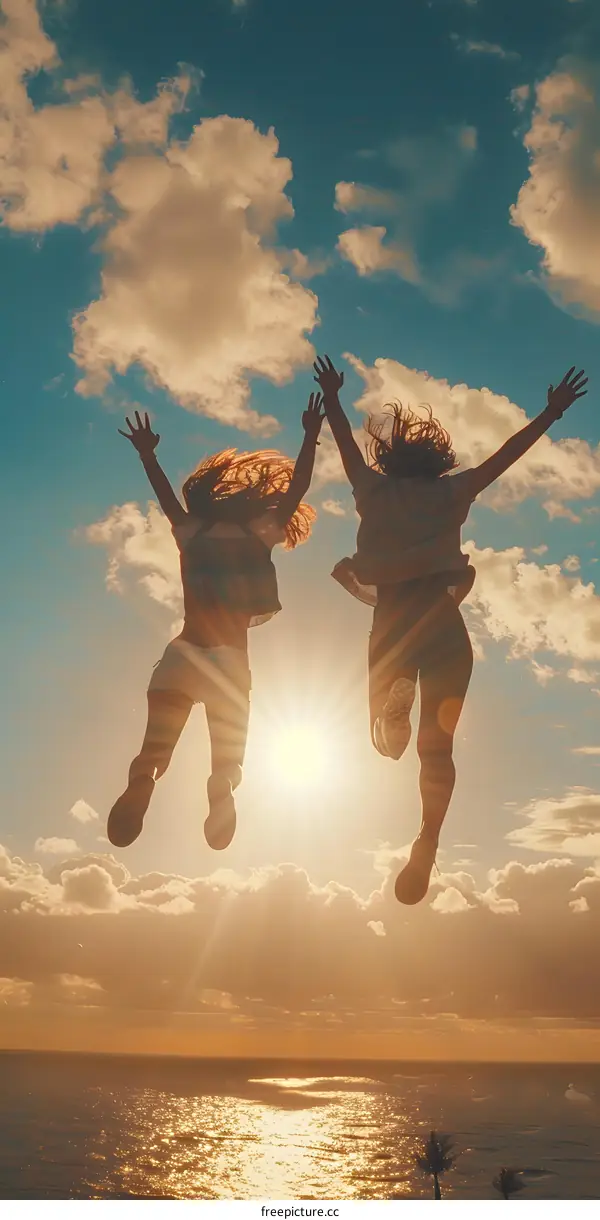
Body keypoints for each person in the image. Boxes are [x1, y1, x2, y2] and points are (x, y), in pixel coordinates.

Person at [313, 355, 587, 905]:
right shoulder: (452, 492)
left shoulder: (372, 490)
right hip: (444, 627)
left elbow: (345, 448)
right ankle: (428, 839)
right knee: (436, 749)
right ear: (436, 464)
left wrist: (334, 400)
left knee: (387, 742)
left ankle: (392, 706)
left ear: (391, 461)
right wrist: (551, 413)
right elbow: (505, 456)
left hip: (394, 624)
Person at [107, 396, 324, 852]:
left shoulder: (192, 533)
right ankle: (221, 784)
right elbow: (299, 486)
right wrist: (310, 433)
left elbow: (165, 498)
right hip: (229, 663)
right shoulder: (259, 535)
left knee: (152, 753)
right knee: (227, 762)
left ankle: (144, 779)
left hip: (182, 656)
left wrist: (147, 454)